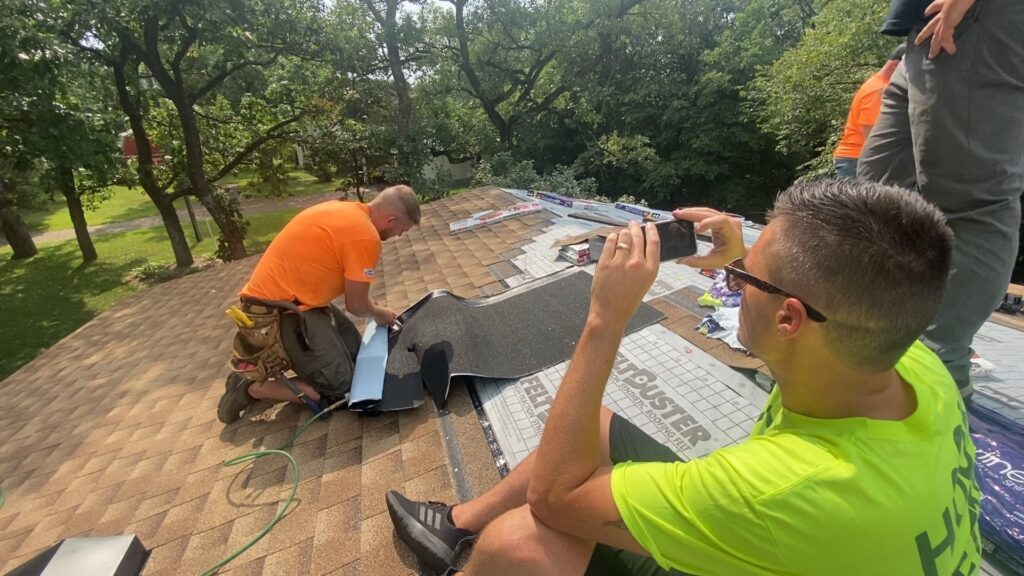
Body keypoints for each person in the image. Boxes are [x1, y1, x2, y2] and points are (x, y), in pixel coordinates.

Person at [386, 180, 981, 576]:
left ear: (789, 317)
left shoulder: (781, 491)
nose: (732, 279)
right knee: (589, 428)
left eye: (747, 276)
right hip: (804, 542)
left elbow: (557, 500)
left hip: (785, 530)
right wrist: (747, 259)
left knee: (521, 543)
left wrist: (603, 318)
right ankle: (454, 527)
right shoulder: (906, 361)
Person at [858, 0, 1024, 398]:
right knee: (878, 185)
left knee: (973, 199)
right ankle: (890, 331)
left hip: (974, 19)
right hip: (923, 30)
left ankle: (941, 371)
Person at [217, 185, 420, 424]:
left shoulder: (345, 211)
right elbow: (355, 305)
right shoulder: (364, 234)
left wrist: (374, 309)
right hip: (278, 315)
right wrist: (378, 313)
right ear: (391, 219)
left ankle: (308, 368)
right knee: (343, 391)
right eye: (401, 230)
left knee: (360, 360)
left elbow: (353, 288)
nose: (399, 235)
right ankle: (251, 386)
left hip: (300, 304)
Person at [832, 45, 905, 179]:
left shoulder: (878, 84)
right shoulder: (878, 90)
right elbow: (872, 138)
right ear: (896, 65)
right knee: (862, 200)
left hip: (855, 159)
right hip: (856, 160)